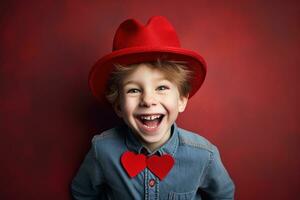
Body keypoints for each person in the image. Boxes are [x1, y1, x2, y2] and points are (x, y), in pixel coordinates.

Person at [71, 16, 235, 200]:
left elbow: (223, 195)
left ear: (181, 99)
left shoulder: (205, 155)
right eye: (133, 90)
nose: (148, 100)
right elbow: (82, 193)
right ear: (118, 105)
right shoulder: (102, 150)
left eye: (162, 87)